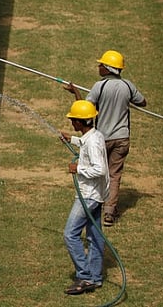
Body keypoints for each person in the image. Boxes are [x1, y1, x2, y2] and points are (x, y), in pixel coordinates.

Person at [64, 50, 146, 226]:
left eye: (101, 64)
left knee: (99, 171)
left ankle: (96, 203)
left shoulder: (99, 87)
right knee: (114, 174)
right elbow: (142, 102)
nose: (98, 67)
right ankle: (109, 212)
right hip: (122, 138)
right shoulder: (127, 86)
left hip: (102, 138)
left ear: (108, 68)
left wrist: (76, 92)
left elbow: (85, 109)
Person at [60, 100, 110, 295]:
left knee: (70, 234)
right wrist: (71, 139)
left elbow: (100, 169)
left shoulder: (93, 142)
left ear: (80, 122)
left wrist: (77, 169)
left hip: (88, 196)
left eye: (73, 120)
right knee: (94, 236)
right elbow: (86, 143)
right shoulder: (95, 135)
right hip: (97, 195)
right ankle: (95, 278)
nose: (72, 123)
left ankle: (85, 276)